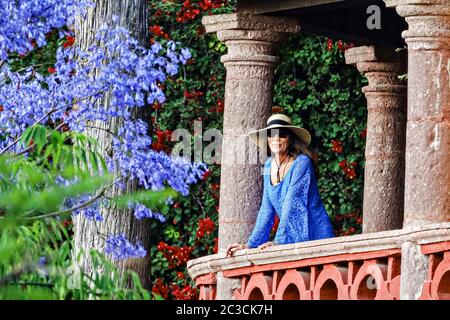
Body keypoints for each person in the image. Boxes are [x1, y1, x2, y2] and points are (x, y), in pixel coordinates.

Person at [226, 113, 335, 257]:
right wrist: (250, 245)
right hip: (293, 241)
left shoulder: (302, 163)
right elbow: (266, 209)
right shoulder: (268, 165)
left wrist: (279, 242)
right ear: (268, 139)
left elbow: (293, 202)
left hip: (316, 234)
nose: (276, 138)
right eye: (272, 134)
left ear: (290, 139)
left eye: (282, 134)